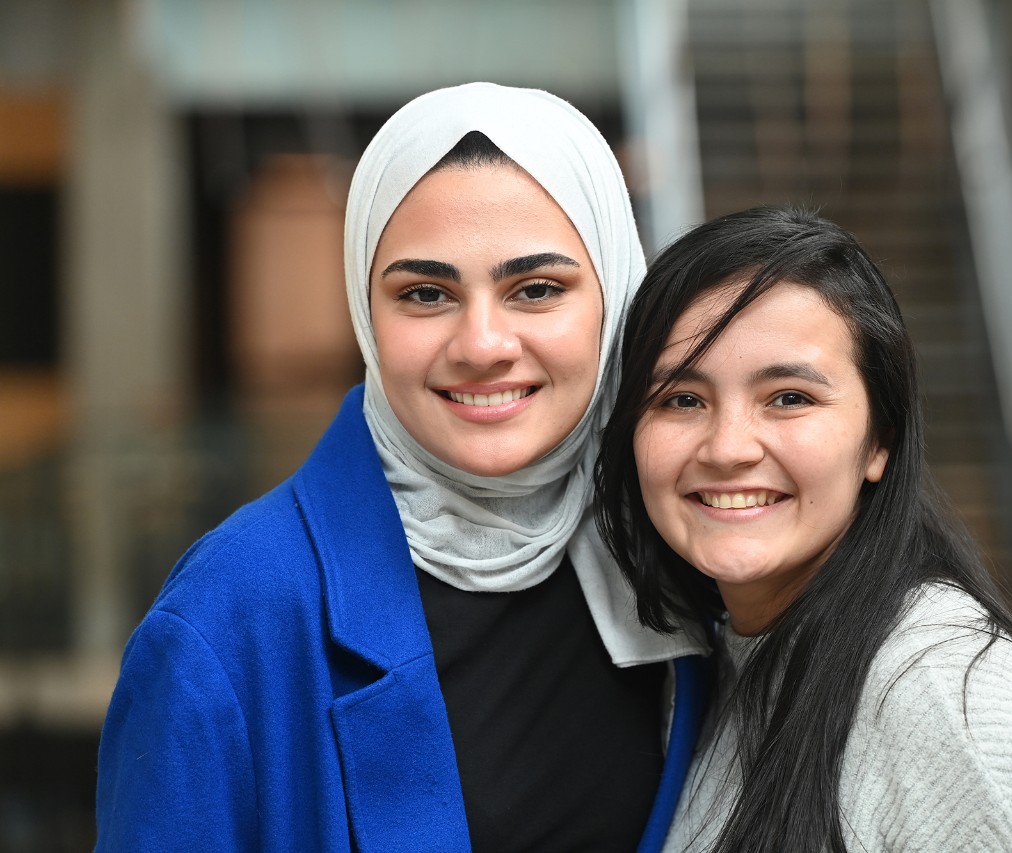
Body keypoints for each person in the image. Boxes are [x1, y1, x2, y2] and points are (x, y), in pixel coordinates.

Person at [95, 82, 709, 853]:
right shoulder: (226, 622)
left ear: (616, 297)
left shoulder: (685, 552)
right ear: (365, 312)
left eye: (538, 289)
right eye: (426, 293)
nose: (483, 343)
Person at [594, 206, 1012, 852]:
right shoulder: (716, 661)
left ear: (880, 437)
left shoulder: (948, 695)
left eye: (789, 398)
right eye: (682, 399)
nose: (727, 447)